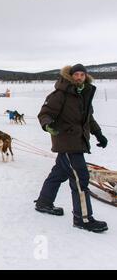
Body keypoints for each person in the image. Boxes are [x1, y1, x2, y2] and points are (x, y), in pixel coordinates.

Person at [35, 64, 109, 233]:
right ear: (70, 76)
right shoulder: (60, 94)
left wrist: (99, 134)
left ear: (86, 77)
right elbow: (45, 113)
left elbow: (88, 119)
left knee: (59, 173)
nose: (79, 77)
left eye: (82, 75)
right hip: (67, 141)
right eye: (76, 74)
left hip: (79, 141)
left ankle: (44, 202)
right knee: (80, 178)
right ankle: (83, 218)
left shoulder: (84, 94)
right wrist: (47, 125)